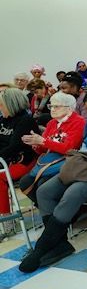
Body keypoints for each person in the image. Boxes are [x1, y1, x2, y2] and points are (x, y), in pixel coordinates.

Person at [19, 89, 87, 272]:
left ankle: (41, 249)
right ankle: (60, 244)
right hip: (86, 163)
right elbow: (84, 145)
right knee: (44, 191)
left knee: (72, 192)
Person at [19, 92, 86, 203]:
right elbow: (44, 149)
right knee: (25, 182)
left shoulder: (79, 122)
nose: (52, 109)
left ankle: (59, 214)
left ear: (69, 109)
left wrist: (43, 142)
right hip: (50, 162)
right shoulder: (52, 123)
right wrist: (35, 144)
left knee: (42, 184)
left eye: (56, 106)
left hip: (67, 162)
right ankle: (47, 210)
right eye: (51, 106)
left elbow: (70, 148)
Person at [0, 89, 39, 217]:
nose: (0, 108)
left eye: (1, 105)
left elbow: (15, 146)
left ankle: (6, 218)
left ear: (11, 104)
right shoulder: (3, 119)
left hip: (24, 160)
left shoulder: (25, 121)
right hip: (5, 159)